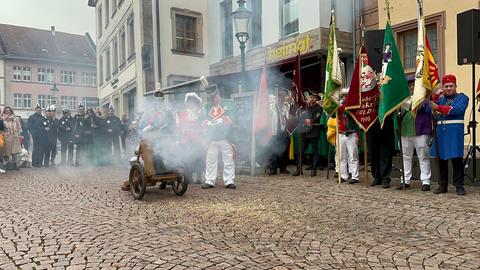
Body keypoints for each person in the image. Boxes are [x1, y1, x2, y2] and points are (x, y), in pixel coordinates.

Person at [430, 74, 468, 195]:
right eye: (446, 86)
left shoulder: (462, 98)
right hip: (441, 133)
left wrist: (439, 108)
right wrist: (435, 95)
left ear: (455, 86)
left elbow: (458, 110)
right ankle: (443, 185)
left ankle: (459, 186)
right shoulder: (440, 98)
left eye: (451, 86)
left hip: (454, 133)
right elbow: (428, 109)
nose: (448, 88)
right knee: (441, 160)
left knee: (456, 160)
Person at [398, 75, 432, 191]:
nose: (412, 87)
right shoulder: (402, 98)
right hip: (405, 130)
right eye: (410, 85)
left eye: (414, 85)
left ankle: (426, 181)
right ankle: (405, 180)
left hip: (420, 130)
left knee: (423, 156)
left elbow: (425, 108)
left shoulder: (424, 97)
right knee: (406, 157)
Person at [201, 85, 236, 189]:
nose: (212, 99)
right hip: (211, 138)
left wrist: (223, 119)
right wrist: (208, 123)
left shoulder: (228, 103)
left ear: (218, 95)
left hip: (226, 137)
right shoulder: (206, 106)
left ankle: (229, 180)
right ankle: (210, 180)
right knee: (210, 160)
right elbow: (201, 120)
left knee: (228, 160)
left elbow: (234, 116)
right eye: (210, 98)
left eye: (213, 97)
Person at [292, 91, 323, 177]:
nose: (312, 99)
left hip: (313, 133)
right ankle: (299, 169)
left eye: (314, 97)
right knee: (300, 152)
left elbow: (315, 119)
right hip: (305, 133)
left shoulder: (319, 108)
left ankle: (314, 169)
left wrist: (306, 121)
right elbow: (301, 118)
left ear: (316, 99)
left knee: (315, 152)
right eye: (311, 97)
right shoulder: (306, 108)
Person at [178, 92, 205, 183]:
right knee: (187, 159)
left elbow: (202, 125)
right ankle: (188, 177)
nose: (191, 104)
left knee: (199, 158)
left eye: (193, 102)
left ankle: (199, 177)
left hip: (197, 139)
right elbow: (180, 126)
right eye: (189, 102)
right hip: (186, 139)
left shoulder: (200, 113)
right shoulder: (183, 113)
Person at [337, 92, 360, 184]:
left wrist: (340, 106)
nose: (345, 98)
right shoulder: (339, 106)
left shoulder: (353, 105)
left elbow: (349, 113)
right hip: (340, 133)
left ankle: (355, 176)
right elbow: (332, 115)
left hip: (351, 133)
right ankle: (343, 175)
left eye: (346, 96)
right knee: (342, 156)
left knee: (353, 156)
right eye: (343, 96)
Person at [266, 94, 290, 175]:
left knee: (284, 151)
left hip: (284, 131)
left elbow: (287, 118)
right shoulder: (272, 107)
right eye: (279, 99)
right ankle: (273, 168)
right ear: (276, 100)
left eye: (282, 99)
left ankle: (283, 168)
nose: (281, 101)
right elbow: (267, 116)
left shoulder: (284, 107)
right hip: (274, 132)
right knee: (274, 151)